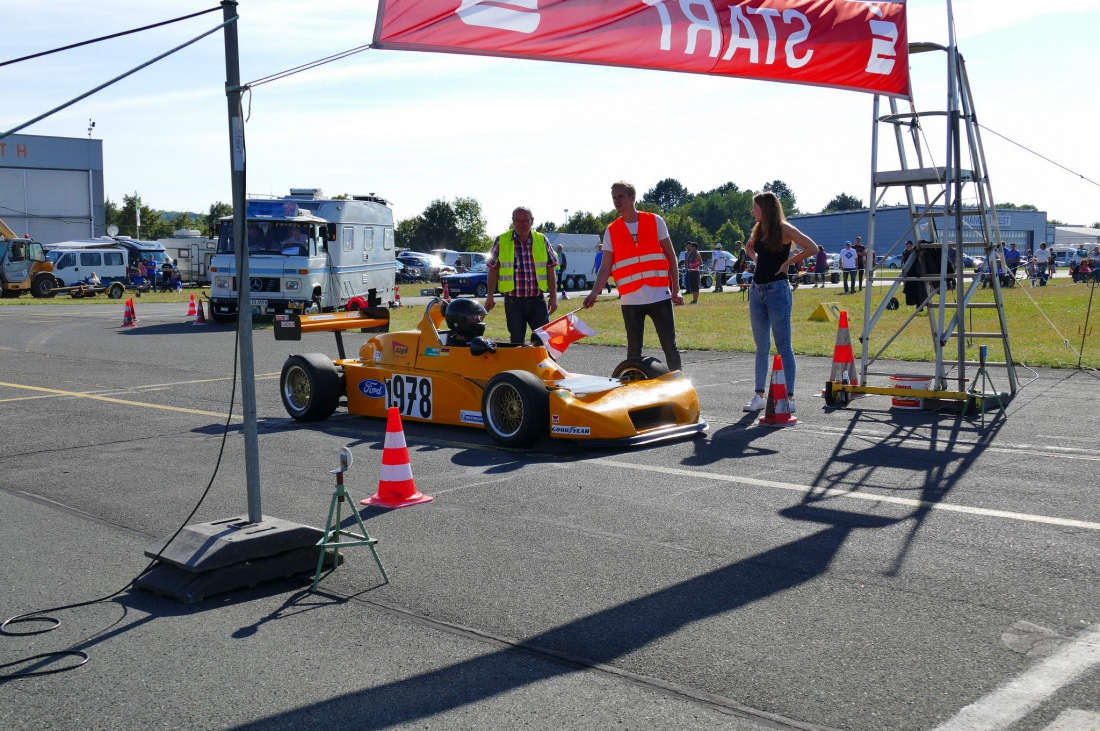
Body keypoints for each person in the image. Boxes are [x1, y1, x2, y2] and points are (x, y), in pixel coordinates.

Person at [583, 180, 684, 371]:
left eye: (620, 196)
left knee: (670, 346)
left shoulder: (655, 221)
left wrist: (676, 290)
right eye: (614, 198)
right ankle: (633, 390)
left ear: (632, 198)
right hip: (630, 299)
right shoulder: (611, 230)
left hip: (659, 294)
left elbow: (671, 256)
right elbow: (605, 267)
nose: (616, 201)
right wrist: (594, 293)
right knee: (633, 350)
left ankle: (679, 387)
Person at [742, 191, 820, 413]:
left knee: (784, 346)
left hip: (778, 290)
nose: (752, 211)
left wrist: (788, 262)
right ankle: (759, 396)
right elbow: (749, 247)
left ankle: (790, 397)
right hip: (757, 291)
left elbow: (812, 247)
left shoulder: (785, 229)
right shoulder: (758, 229)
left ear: (765, 208)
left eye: (755, 207)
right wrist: (756, 259)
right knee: (761, 347)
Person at [485, 206, 558, 344]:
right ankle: (518, 366)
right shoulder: (502, 240)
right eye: (517, 221)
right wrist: (490, 295)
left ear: (532, 221)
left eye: (525, 220)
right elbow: (493, 269)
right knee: (517, 343)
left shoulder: (542, 240)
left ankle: (548, 366)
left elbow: (551, 269)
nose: (521, 224)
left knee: (545, 341)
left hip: (537, 301)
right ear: (512, 222)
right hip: (513, 302)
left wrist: (553, 297)